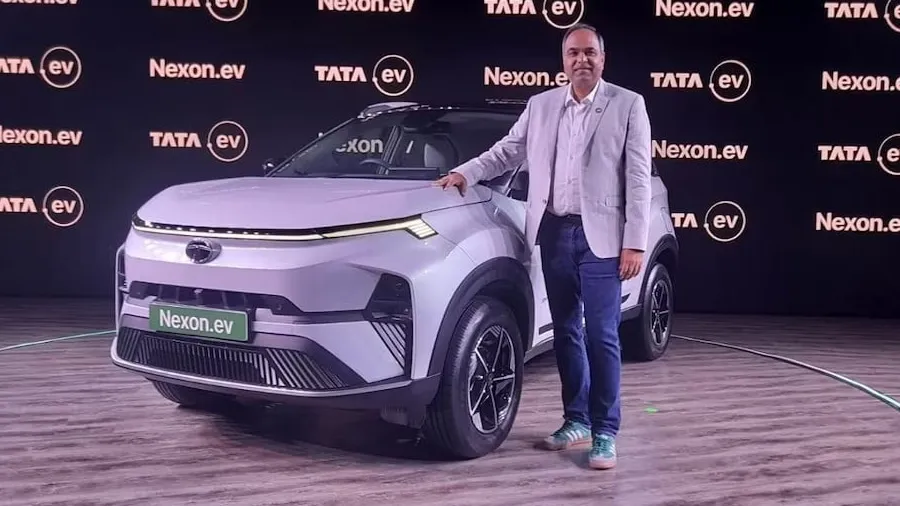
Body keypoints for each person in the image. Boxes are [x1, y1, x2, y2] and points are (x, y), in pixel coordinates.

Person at [434, 23, 652, 470]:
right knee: (566, 332)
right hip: (553, 233)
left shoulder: (628, 104)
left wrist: (635, 243)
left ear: (603, 58)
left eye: (589, 52)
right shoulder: (541, 105)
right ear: (563, 60)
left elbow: (638, 178)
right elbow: (506, 152)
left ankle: (605, 431)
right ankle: (576, 420)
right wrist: (465, 173)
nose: (581, 60)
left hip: (604, 239)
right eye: (573, 53)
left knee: (602, 334)